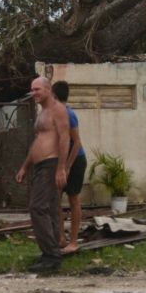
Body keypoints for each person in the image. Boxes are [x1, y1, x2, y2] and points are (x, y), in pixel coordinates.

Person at [15, 76, 70, 273]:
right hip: (39, 165)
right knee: (49, 209)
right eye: (32, 89)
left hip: (51, 164)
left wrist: (61, 167)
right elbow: (38, 142)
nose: (34, 93)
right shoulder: (42, 112)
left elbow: (65, 138)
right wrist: (25, 166)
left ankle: (51, 255)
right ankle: (53, 254)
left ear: (48, 90)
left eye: (37, 89)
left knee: (37, 207)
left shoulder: (58, 110)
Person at [52, 80, 87, 254]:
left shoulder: (69, 114)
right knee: (55, 199)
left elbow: (77, 143)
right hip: (61, 162)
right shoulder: (55, 114)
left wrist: (67, 167)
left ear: (55, 96)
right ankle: (61, 238)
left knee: (73, 199)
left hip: (76, 160)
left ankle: (74, 241)